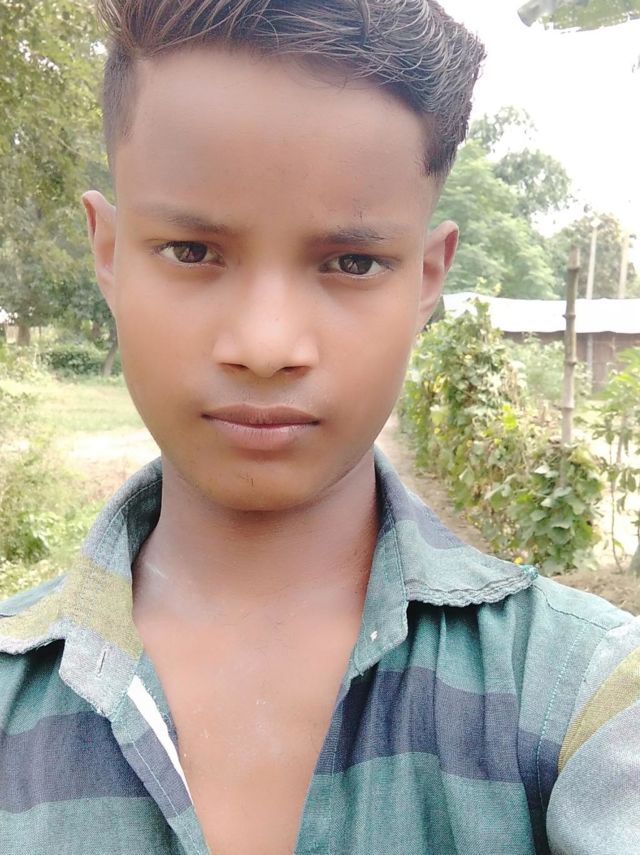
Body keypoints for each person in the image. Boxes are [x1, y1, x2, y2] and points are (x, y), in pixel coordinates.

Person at [1, 1, 638, 853]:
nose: (266, 346)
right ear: (108, 252)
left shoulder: (582, 700)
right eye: (192, 251)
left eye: (352, 262)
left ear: (427, 278)